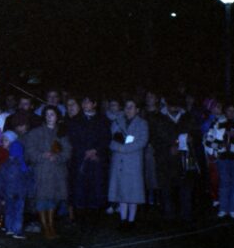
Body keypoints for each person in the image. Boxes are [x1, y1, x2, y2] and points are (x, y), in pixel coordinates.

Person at [25, 105, 72, 239]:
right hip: (41, 170)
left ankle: (51, 225)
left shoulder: (61, 133)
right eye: (47, 114)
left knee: (53, 198)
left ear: (57, 117)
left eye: (52, 114)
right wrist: (42, 155)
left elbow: (67, 151)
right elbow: (30, 150)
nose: (49, 117)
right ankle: (45, 226)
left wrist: (57, 157)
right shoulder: (36, 132)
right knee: (41, 199)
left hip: (56, 171)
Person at [65, 95, 110, 228]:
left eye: (88, 102)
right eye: (83, 102)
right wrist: (84, 151)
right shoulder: (75, 121)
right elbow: (73, 138)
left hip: (96, 160)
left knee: (95, 190)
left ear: (94, 103)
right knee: (80, 190)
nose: (85, 104)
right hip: (80, 159)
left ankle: (94, 220)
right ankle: (80, 220)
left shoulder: (102, 120)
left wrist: (96, 150)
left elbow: (106, 138)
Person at [153, 96, 200, 222]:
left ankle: (187, 215)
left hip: (186, 157)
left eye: (176, 105)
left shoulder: (188, 118)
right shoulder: (159, 119)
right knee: (167, 189)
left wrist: (192, 138)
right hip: (166, 160)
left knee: (186, 187)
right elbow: (155, 139)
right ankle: (169, 216)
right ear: (167, 105)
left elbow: (197, 133)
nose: (174, 108)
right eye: (171, 105)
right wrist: (168, 148)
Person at [204, 103, 234, 219]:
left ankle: (233, 209)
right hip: (222, 157)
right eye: (229, 110)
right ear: (225, 111)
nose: (231, 113)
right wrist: (220, 145)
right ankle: (223, 208)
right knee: (224, 183)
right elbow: (208, 139)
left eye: (233, 110)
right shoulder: (217, 122)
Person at [108, 99, 149, 230]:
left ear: (137, 109)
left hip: (133, 162)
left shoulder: (142, 124)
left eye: (131, 107)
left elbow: (142, 141)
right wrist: (118, 147)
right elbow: (112, 139)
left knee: (133, 192)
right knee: (121, 192)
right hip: (119, 162)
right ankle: (123, 219)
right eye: (126, 107)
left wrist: (124, 149)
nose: (128, 109)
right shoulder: (117, 122)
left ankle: (131, 221)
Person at [0, 141, 33, 239]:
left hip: (8, 192)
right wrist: (29, 192)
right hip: (19, 192)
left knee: (9, 210)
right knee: (18, 212)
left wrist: (1, 194)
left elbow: (0, 181)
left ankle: (9, 228)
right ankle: (17, 231)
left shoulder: (5, 164)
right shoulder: (22, 165)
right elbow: (28, 180)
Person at [0, 130, 18, 221]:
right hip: (0, 180)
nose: (3, 142)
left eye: (6, 140)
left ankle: (9, 221)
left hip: (12, 182)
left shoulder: (16, 152)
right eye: (3, 140)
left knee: (10, 201)